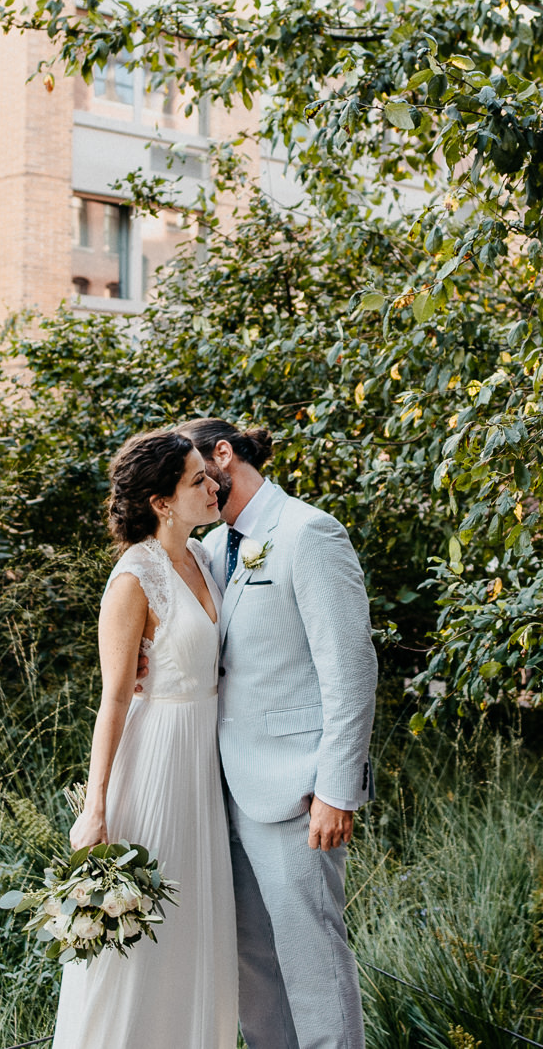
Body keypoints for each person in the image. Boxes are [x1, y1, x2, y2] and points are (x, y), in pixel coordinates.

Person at [178, 417, 378, 1049]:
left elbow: (349, 670)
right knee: (252, 968)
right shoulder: (210, 552)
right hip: (223, 790)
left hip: (296, 792)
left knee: (312, 962)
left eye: (192, 472)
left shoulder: (309, 532)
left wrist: (337, 790)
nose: (192, 489)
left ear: (223, 455)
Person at [54, 430, 237, 1048]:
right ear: (161, 501)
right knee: (141, 945)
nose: (214, 486)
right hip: (155, 761)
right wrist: (94, 808)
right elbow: (112, 699)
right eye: (196, 481)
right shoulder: (134, 578)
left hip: (203, 769)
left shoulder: (210, 558)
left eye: (208, 478)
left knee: (192, 934)